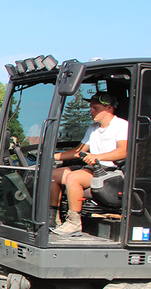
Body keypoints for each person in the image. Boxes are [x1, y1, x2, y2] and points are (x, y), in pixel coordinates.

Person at [49, 92, 128, 235]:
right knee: (53, 175)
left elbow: (124, 151)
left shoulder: (121, 125)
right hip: (92, 168)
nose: (90, 111)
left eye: (95, 108)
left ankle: (74, 222)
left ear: (109, 108)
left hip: (110, 171)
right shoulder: (93, 128)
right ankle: (52, 218)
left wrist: (97, 157)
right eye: (91, 108)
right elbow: (79, 151)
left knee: (73, 178)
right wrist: (51, 156)